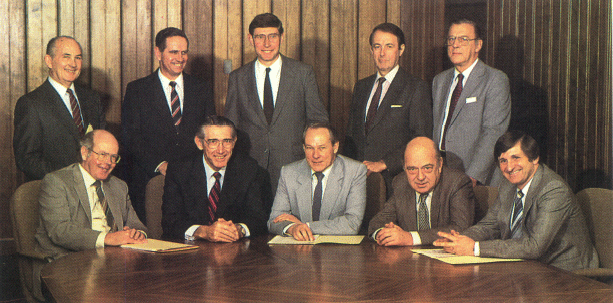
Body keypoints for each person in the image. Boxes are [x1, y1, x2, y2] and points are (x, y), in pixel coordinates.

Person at [434, 131, 599, 272]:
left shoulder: (554, 189)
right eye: (503, 161)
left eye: (515, 158)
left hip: (565, 272)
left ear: (534, 159)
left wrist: (474, 248)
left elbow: (534, 247)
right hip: (527, 267)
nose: (509, 167)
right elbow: (489, 225)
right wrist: (459, 239)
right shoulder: (508, 184)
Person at [34, 130, 147, 300]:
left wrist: (138, 233)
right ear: (84, 152)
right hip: (70, 264)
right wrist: (107, 238)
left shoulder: (119, 186)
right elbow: (59, 230)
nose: (107, 163)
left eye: (113, 157)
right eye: (102, 154)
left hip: (115, 265)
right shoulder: (57, 182)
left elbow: (136, 224)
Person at [225, 13, 329, 194]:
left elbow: (318, 121)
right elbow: (230, 126)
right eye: (260, 37)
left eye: (272, 36)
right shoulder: (237, 77)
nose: (267, 44)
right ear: (251, 39)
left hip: (294, 167)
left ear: (281, 37)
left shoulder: (302, 73)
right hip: (250, 170)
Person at [121, 27, 215, 223]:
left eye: (184, 52)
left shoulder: (202, 89)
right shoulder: (137, 90)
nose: (180, 58)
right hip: (151, 179)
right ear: (158, 53)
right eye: (173, 52)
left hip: (193, 180)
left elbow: (209, 133)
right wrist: (160, 165)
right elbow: (131, 137)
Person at [344, 23, 432, 197]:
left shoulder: (416, 87)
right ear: (371, 50)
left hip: (395, 182)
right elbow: (351, 136)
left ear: (401, 50)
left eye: (389, 46)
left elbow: (421, 140)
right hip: (358, 183)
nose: (382, 53)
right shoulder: (361, 87)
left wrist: (384, 163)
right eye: (377, 46)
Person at [162, 116, 272, 242]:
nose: (221, 150)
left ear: (234, 142)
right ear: (200, 143)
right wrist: (202, 231)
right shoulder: (179, 170)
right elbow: (169, 221)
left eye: (227, 141)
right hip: (190, 252)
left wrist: (239, 229)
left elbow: (258, 218)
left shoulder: (248, 169)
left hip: (234, 252)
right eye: (213, 142)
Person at [13, 36, 105, 181]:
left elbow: (102, 146)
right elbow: (26, 159)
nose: (73, 64)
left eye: (78, 58)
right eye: (66, 57)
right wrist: (72, 177)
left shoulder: (92, 99)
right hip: (54, 192)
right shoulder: (31, 103)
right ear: (49, 61)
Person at [432, 19, 510, 187]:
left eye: (463, 39)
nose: (455, 45)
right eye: (451, 39)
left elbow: (494, 132)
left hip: (474, 176)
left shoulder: (495, 79)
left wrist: (472, 175)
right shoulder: (440, 81)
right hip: (440, 172)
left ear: (478, 45)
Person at [268, 122, 366, 241]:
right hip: (298, 253)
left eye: (322, 148)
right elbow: (274, 220)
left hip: (338, 254)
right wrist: (292, 228)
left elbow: (352, 224)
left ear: (335, 147)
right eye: (310, 148)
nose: (315, 155)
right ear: (304, 148)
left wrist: (305, 226)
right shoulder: (289, 173)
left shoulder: (355, 171)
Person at [368, 137, 475, 246]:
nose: (420, 177)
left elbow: (461, 228)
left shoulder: (457, 183)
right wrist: (385, 234)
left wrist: (410, 238)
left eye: (427, 168)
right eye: (412, 169)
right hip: (410, 259)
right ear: (404, 167)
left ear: (440, 164)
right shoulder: (401, 183)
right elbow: (377, 223)